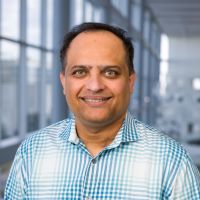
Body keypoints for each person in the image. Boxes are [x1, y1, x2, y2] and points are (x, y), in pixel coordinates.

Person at [4, 22, 200, 199]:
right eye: (80, 72)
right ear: (64, 82)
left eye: (110, 72)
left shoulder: (172, 161)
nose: (95, 86)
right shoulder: (31, 152)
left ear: (130, 82)